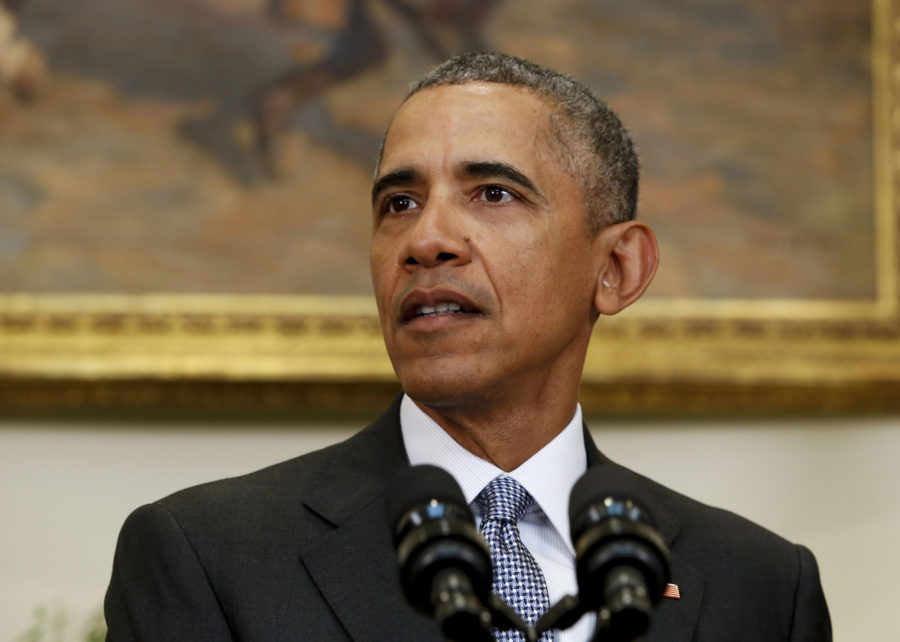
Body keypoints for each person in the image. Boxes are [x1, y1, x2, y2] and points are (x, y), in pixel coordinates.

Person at [104, 52, 831, 641]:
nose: (426, 241)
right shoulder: (206, 556)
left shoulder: (758, 585)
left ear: (616, 270)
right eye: (399, 203)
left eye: (492, 194)